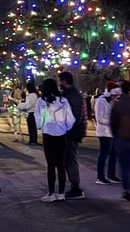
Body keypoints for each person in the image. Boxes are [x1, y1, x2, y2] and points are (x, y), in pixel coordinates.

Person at [34, 79, 75, 201]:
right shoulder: (63, 101)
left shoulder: (41, 101)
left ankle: (51, 193)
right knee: (61, 165)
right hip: (61, 135)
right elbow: (71, 118)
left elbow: (38, 117)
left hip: (48, 134)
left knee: (51, 165)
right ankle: (61, 193)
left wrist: (41, 126)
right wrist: (65, 128)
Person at [57, 70, 87, 199]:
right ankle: (74, 186)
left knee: (70, 159)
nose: (59, 84)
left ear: (64, 81)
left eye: (60, 81)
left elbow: (76, 116)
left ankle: (76, 188)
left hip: (71, 133)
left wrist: (66, 129)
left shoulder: (73, 96)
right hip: (70, 132)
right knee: (68, 159)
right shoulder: (70, 95)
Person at [93, 80, 119, 184]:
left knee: (114, 154)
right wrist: (112, 122)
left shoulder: (113, 102)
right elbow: (99, 118)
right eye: (114, 95)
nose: (115, 97)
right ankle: (100, 176)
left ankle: (111, 175)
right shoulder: (100, 101)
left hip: (112, 132)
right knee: (104, 154)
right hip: (104, 132)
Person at [20, 80, 39, 145]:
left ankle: (32, 140)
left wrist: (24, 108)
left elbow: (30, 104)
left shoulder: (31, 95)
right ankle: (33, 140)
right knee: (32, 126)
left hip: (31, 112)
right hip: (32, 112)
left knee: (31, 127)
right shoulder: (34, 94)